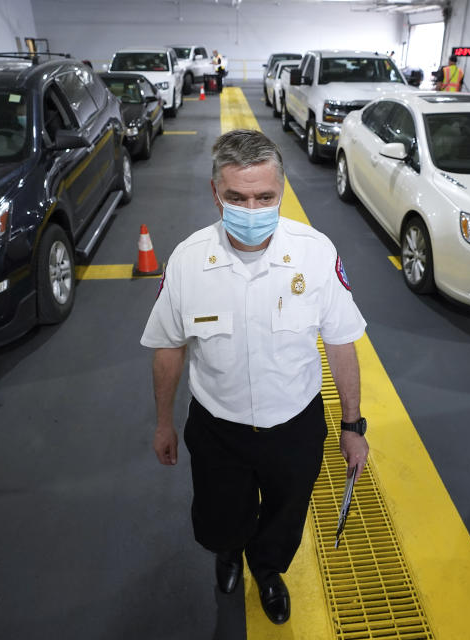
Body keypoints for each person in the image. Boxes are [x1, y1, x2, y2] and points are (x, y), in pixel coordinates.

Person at [140, 129, 369, 625]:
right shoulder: (188, 261)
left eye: (265, 196)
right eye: (236, 197)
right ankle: (229, 555)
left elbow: (341, 341)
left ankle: (267, 571)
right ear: (214, 193)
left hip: (295, 425)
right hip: (218, 427)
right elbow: (169, 347)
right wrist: (163, 422)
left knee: (287, 515)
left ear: (282, 191)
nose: (252, 207)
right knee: (222, 517)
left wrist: (353, 427)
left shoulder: (315, 253)